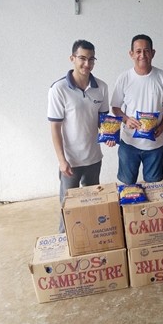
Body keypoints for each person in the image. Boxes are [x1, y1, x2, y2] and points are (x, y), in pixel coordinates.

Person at [48, 39, 114, 233]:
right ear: (72, 59)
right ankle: (64, 239)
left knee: (92, 203)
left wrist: (109, 134)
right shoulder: (58, 89)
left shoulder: (101, 87)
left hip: (94, 158)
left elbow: (103, 120)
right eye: (82, 58)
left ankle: (91, 235)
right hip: (70, 161)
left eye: (91, 59)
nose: (87, 64)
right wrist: (61, 160)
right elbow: (55, 128)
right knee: (68, 206)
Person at [111, 34, 163, 184]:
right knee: (127, 186)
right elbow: (115, 107)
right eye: (138, 51)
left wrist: (162, 126)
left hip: (155, 144)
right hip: (129, 143)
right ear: (131, 54)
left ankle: (151, 209)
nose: (142, 55)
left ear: (153, 53)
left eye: (146, 51)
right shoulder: (124, 78)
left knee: (154, 186)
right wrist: (126, 119)